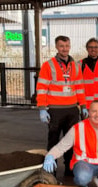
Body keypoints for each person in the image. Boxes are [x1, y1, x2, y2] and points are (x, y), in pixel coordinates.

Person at [36, 35, 88, 177]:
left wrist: (83, 105)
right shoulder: (48, 65)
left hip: (72, 109)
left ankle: (69, 169)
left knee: (71, 141)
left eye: (67, 46)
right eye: (61, 46)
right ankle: (50, 169)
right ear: (56, 47)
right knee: (53, 140)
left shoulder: (75, 66)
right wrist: (42, 108)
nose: (64, 49)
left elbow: (80, 87)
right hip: (55, 110)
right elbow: (42, 88)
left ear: (69, 46)